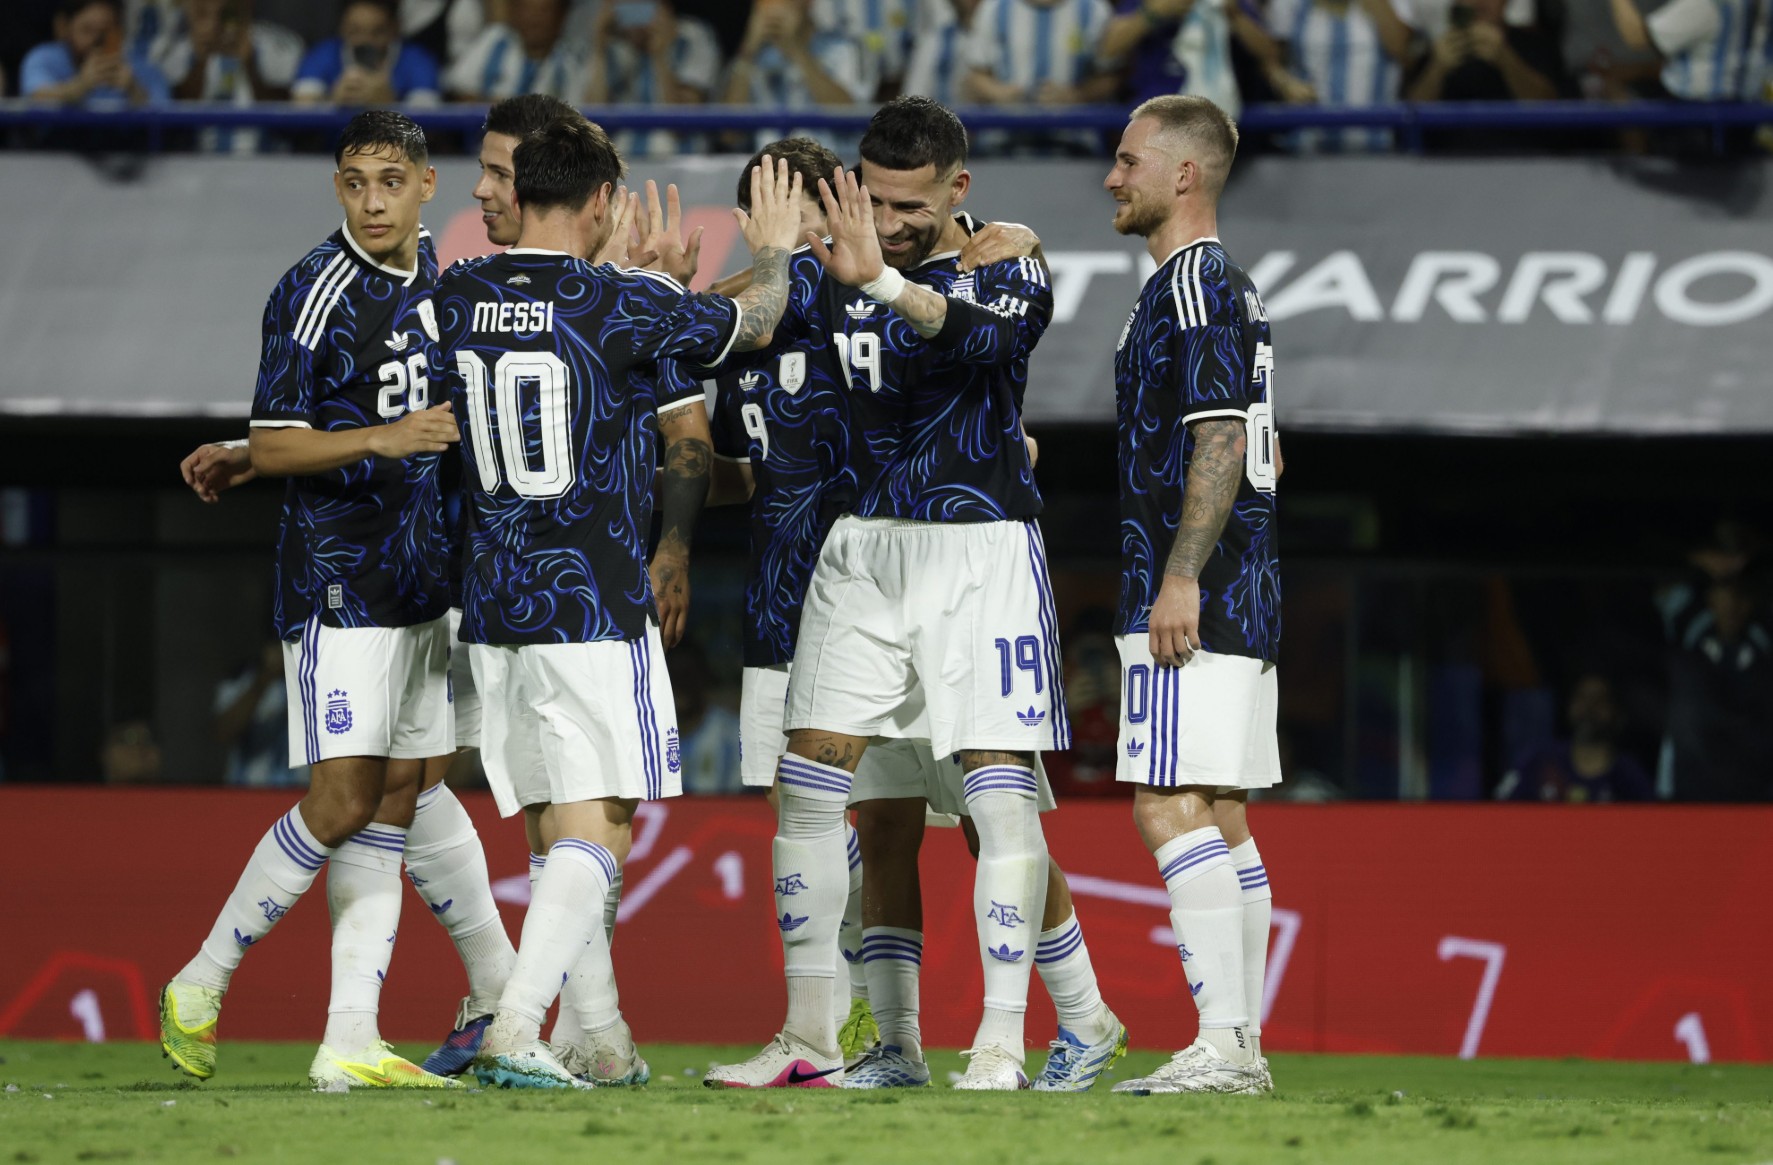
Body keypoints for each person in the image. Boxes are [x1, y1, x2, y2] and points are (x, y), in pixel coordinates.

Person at [707, 96, 1073, 1092]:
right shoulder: (838, 259)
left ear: (959, 188)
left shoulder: (1009, 260)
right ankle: (812, 1037)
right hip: (862, 552)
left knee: (999, 801)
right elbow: (735, 327)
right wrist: (777, 258)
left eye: (911, 204)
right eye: (874, 197)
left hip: (980, 552)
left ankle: (1001, 1043)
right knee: (816, 786)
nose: (891, 218)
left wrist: (886, 279)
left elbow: (990, 339)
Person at [432, 116, 803, 1090]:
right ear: (600, 201)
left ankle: (598, 1037)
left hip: (494, 605)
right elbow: (757, 320)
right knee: (602, 822)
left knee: (559, 820)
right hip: (591, 599)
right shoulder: (619, 303)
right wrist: (766, 252)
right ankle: (516, 1023)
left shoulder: (457, 293)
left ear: (518, 194)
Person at [159, 111, 460, 1092]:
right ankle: (200, 979)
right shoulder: (310, 288)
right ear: (339, 187)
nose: (370, 200)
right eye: (353, 181)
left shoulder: (440, 285)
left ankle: (349, 1040)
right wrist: (374, 438)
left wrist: (263, 452)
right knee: (339, 800)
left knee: (402, 793)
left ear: (425, 184)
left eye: (388, 181)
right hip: (340, 580)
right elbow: (286, 438)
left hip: (423, 583)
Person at [1102, 94, 1280, 1096]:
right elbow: (1258, 442)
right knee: (1220, 811)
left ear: (1184, 175)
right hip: (1241, 588)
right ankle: (1240, 1043)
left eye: (1130, 160)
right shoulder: (1225, 287)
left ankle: (1221, 1044)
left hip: (1191, 592)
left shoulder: (1194, 285)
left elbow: (1220, 437)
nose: (1112, 177)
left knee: (1167, 804)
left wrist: (1176, 576)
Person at [581, 1, 724, 159]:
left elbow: (683, 125)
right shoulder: (613, 45)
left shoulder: (693, 37)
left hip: (681, 163)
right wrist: (600, 48)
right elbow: (591, 124)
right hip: (621, 164)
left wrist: (660, 56)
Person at [723, 0, 873, 149]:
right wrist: (749, 49)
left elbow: (851, 119)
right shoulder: (754, 57)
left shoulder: (843, 48)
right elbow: (729, 135)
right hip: (768, 167)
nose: (775, 6)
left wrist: (795, 49)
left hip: (831, 165)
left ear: (808, 3)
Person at [160, 0, 304, 154]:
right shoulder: (179, 52)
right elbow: (173, 126)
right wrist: (200, 63)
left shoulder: (280, 46)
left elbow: (290, 123)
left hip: (267, 166)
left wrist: (250, 64)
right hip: (198, 166)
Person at [1495, 673, 1653, 803]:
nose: (1589, 708)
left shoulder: (1629, 776)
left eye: (1599, 700)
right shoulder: (1538, 760)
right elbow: (1499, 813)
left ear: (1617, 713)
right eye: (1582, 697)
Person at [290, 0, 442, 106]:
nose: (365, 41)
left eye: (377, 32)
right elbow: (301, 107)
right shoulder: (323, 54)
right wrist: (333, 101)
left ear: (394, 29)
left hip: (394, 150)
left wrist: (391, 106)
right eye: (355, 31)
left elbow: (430, 126)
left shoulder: (418, 60)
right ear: (342, 27)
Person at [23, 0, 171, 105]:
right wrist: (81, 86)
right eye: (87, 30)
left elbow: (165, 116)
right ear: (65, 28)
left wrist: (133, 90)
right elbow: (37, 97)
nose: (96, 42)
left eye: (106, 31)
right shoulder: (44, 58)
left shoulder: (141, 68)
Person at [446, 0, 583, 101]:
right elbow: (459, 88)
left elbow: (573, 117)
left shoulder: (568, 64)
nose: (534, 19)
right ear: (515, 12)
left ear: (560, 17)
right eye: (527, 10)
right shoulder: (496, 39)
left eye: (544, 11)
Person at [214, 641, 308, 788]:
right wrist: (266, 676)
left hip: (299, 793)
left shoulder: (315, 677)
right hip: (247, 792)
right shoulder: (241, 677)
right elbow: (222, 732)